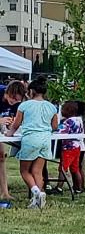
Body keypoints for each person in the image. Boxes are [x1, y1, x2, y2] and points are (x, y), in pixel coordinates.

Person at [8, 76, 58, 209]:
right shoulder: (51, 107)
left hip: (31, 139)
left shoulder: (24, 105)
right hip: (45, 140)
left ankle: (36, 192)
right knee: (37, 171)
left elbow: (15, 125)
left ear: (31, 92)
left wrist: (9, 133)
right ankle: (39, 198)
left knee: (24, 171)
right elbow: (54, 126)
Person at [0, 79, 28, 206]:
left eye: (17, 101)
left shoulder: (17, 103)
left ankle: (4, 192)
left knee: (1, 158)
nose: (14, 103)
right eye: (13, 99)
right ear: (8, 92)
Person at [59, 100, 85, 193]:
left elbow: (62, 131)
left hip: (68, 148)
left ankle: (59, 186)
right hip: (77, 147)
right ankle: (79, 187)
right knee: (75, 169)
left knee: (63, 168)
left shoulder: (69, 121)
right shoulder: (79, 120)